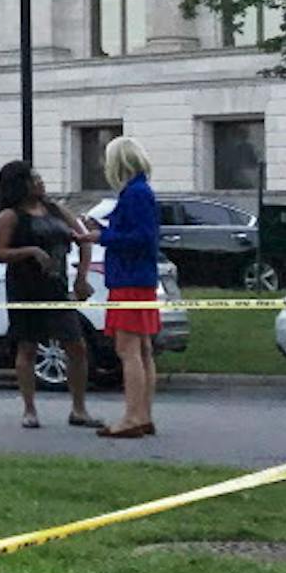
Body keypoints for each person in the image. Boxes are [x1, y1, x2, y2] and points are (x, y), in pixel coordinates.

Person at [0, 159, 99, 431]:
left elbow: (82, 239)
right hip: (25, 289)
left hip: (57, 289)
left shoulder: (55, 210)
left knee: (76, 346)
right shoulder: (10, 216)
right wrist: (30, 251)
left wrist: (82, 278)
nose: (40, 182)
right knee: (27, 347)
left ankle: (79, 409)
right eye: (33, 178)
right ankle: (29, 409)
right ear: (20, 184)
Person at [95, 136, 162, 439]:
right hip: (141, 279)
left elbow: (140, 238)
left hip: (129, 281)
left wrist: (101, 237)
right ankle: (143, 414)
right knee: (143, 349)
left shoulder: (134, 194)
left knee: (128, 349)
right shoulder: (142, 191)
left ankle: (132, 416)